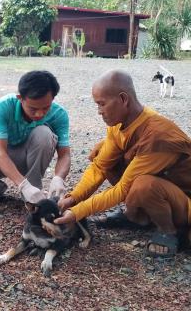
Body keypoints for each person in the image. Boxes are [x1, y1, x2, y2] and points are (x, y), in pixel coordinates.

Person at [55, 70, 191, 257]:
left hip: (184, 199)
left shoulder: (158, 135)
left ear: (123, 99)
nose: (99, 111)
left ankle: (168, 230)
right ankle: (137, 216)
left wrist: (77, 212)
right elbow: (100, 167)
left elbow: (122, 189)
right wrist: (73, 198)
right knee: (101, 152)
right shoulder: (120, 124)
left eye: (102, 104)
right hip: (164, 189)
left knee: (143, 186)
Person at [0, 70, 71, 205]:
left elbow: (64, 155)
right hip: (1, 159)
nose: (39, 114)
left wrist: (59, 178)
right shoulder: (4, 106)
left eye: (46, 107)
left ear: (53, 98)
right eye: (33, 109)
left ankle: (34, 191)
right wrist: (23, 185)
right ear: (20, 98)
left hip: (30, 157)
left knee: (44, 133)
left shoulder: (59, 114)